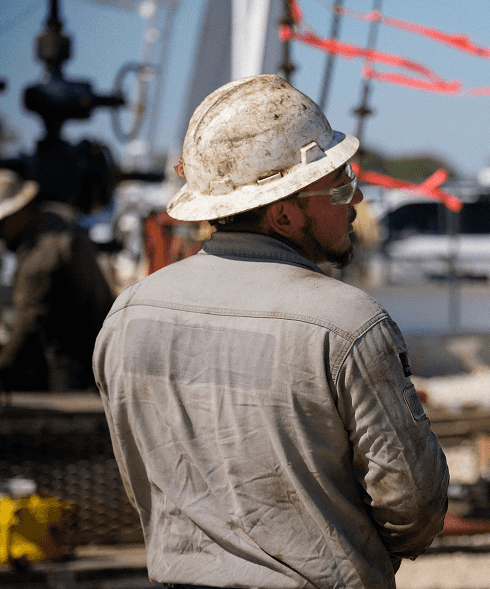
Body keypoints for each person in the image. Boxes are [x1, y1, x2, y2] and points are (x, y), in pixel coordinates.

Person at [93, 75, 450, 589]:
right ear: (283, 214)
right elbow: (414, 503)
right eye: (339, 185)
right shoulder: (346, 324)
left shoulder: (129, 315)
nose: (356, 197)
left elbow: (141, 479)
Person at [0, 169, 114, 394]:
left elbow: (28, 321)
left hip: (73, 360)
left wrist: (3, 367)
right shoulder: (54, 218)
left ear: (18, 212)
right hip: (94, 345)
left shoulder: (41, 256)